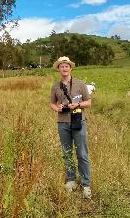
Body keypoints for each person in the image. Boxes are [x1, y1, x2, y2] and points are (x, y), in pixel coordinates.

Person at [49, 56, 92, 199]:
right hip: (63, 123)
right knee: (67, 152)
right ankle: (71, 180)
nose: (64, 68)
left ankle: (86, 185)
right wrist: (58, 108)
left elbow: (88, 102)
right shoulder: (55, 86)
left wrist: (77, 105)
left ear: (70, 68)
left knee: (82, 153)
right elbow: (52, 103)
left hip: (79, 121)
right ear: (58, 69)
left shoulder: (80, 84)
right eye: (61, 66)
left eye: (66, 66)